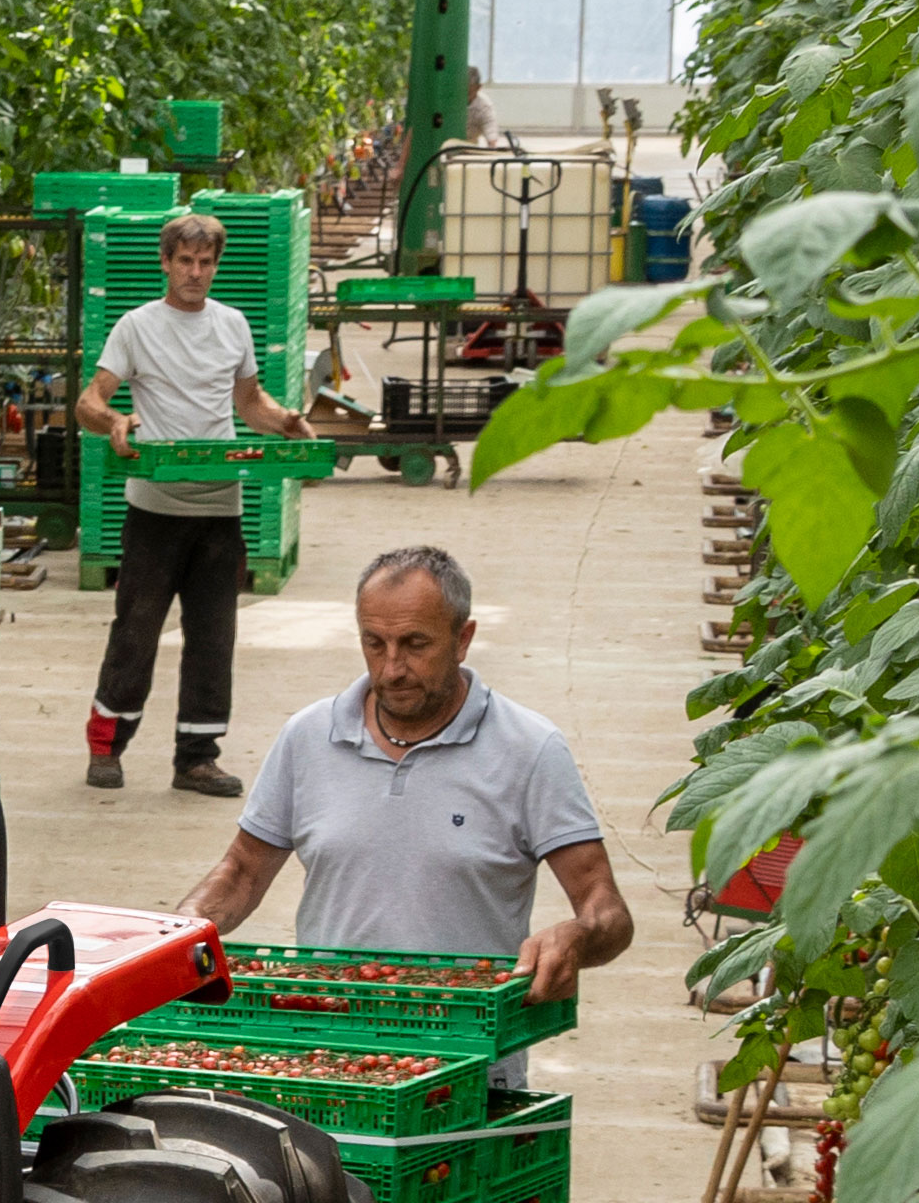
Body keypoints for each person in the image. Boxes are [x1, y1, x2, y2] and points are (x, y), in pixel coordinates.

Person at [180, 545, 633, 1004]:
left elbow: (606, 907)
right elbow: (243, 872)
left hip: (469, 1045)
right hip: (332, 1041)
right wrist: (183, 927)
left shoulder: (529, 749)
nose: (392, 668)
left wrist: (577, 935)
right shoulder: (309, 736)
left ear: (463, 639)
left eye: (416, 644)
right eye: (374, 644)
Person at [77, 205, 304, 797]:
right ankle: (106, 747)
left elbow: (250, 403)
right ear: (165, 262)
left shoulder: (232, 325)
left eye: (205, 263)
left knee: (213, 638)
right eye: (185, 261)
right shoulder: (136, 326)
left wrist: (286, 422)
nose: (196, 273)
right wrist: (116, 420)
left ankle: (196, 758)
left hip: (219, 511)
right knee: (136, 632)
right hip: (155, 509)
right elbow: (89, 402)